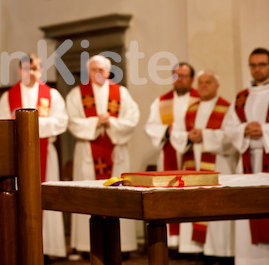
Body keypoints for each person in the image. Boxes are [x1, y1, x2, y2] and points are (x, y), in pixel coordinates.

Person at [0, 53, 68, 259]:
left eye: (36, 69)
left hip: (45, 153)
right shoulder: (9, 96)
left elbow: (62, 121)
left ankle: (50, 249)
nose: (32, 72)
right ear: (20, 70)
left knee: (45, 196)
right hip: (17, 157)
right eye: (27, 69)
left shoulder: (51, 94)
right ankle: (22, 247)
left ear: (41, 71)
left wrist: (31, 125)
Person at [65, 55, 140, 255]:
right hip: (87, 151)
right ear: (87, 72)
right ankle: (86, 246)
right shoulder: (76, 94)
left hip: (116, 150)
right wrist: (95, 122)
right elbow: (71, 121)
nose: (97, 73)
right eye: (93, 70)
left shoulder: (121, 93)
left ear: (108, 72)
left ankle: (122, 246)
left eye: (101, 70)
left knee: (119, 195)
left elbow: (132, 119)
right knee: (88, 192)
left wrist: (111, 123)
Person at [170, 70, 237, 260]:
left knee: (216, 206)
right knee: (196, 203)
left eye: (208, 82)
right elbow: (177, 134)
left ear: (217, 86)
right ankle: (198, 249)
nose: (204, 85)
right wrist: (188, 137)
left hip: (219, 165)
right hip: (194, 162)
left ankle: (220, 251)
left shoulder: (227, 108)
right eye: (201, 82)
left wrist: (205, 135)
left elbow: (231, 136)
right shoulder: (190, 109)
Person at [145, 61, 200, 246]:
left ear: (192, 79)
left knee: (192, 197)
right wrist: (167, 133)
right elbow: (151, 126)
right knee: (170, 195)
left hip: (194, 155)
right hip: (169, 154)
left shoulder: (200, 99)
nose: (179, 80)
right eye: (176, 76)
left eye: (183, 76)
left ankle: (192, 244)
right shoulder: (162, 102)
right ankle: (174, 242)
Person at [224, 47, 269, 265]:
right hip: (248, 164)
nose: (257, 69)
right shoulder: (241, 97)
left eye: (262, 64)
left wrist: (264, 130)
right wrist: (243, 130)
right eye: (253, 65)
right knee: (245, 215)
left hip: (266, 159)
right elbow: (229, 126)